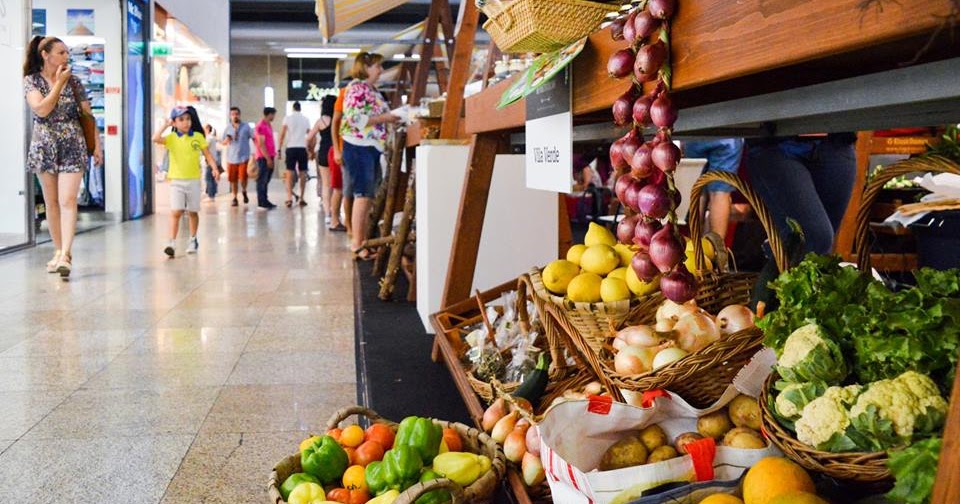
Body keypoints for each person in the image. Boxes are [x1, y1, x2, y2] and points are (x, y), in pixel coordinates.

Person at [23, 35, 103, 278]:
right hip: (44, 145)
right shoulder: (32, 81)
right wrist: (59, 83)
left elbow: (88, 116)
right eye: (61, 53)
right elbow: (42, 109)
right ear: (45, 55)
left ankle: (66, 253)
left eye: (68, 53)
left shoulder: (76, 82)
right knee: (52, 202)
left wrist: (96, 145)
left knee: (68, 199)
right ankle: (58, 251)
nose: (66, 57)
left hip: (73, 144)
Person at [747, 133, 857, 255]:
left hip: (836, 141)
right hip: (775, 142)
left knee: (817, 252)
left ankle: (776, 262)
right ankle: (775, 261)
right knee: (816, 238)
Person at [341, 52, 400, 259]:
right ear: (365, 67)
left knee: (367, 195)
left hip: (371, 146)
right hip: (359, 146)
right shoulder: (357, 88)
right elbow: (354, 117)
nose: (381, 70)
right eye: (377, 66)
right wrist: (385, 117)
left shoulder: (371, 90)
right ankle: (357, 244)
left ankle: (362, 240)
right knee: (362, 195)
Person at [153, 106, 219, 257]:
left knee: (192, 212)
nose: (186, 122)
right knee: (176, 211)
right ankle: (171, 242)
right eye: (181, 119)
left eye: (188, 119)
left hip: (194, 180)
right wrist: (166, 125)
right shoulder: (172, 138)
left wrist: (214, 168)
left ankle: (193, 239)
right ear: (175, 123)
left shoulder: (198, 137)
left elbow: (207, 155)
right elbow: (155, 138)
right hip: (176, 181)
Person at [683, 139, 745, 240]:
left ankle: (693, 247)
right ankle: (716, 250)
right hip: (729, 132)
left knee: (697, 192)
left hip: (696, 132)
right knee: (720, 193)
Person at [307, 93, 345, 230]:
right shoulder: (339, 119)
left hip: (323, 153)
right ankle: (337, 213)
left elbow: (309, 137)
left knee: (326, 184)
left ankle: (328, 215)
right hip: (337, 152)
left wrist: (310, 150)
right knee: (338, 185)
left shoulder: (321, 120)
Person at [278, 101, 311, 207]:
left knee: (289, 173)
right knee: (303, 174)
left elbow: (282, 134)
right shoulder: (306, 119)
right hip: (302, 148)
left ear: (293, 108)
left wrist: (279, 149)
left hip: (291, 147)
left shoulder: (287, 118)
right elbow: (310, 135)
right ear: (300, 109)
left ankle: (289, 198)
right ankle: (302, 197)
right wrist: (310, 150)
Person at [331, 85, 353, 236]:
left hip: (365, 148)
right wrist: (337, 150)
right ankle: (349, 226)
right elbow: (335, 123)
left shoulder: (372, 92)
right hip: (345, 149)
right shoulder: (345, 93)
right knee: (346, 190)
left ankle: (352, 225)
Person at [222, 106, 253, 207]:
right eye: (233, 114)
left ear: (239, 115)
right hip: (231, 158)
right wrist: (227, 140)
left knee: (243, 178)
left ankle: (244, 190)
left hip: (243, 157)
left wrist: (256, 153)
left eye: (236, 114)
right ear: (230, 116)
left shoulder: (246, 127)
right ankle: (234, 198)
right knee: (233, 180)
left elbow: (254, 137)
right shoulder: (227, 128)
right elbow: (223, 142)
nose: (235, 116)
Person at [254, 107, 278, 209]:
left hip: (270, 155)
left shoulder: (268, 125)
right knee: (262, 179)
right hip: (263, 157)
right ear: (269, 114)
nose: (274, 117)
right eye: (273, 115)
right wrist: (267, 158)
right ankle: (262, 201)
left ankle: (265, 199)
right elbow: (261, 144)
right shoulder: (261, 126)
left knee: (266, 179)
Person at [203, 124, 222, 201]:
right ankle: (212, 194)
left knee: (208, 178)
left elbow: (204, 147)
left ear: (207, 129)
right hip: (214, 160)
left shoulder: (209, 138)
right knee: (212, 178)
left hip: (210, 161)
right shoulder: (212, 138)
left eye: (204, 128)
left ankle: (211, 196)